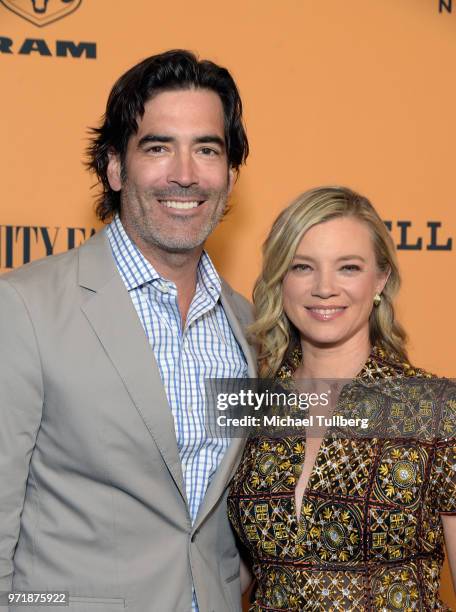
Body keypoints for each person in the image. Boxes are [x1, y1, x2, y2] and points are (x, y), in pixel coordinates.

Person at [0, 50, 256, 612]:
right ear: (116, 166)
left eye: (207, 149)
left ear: (230, 174)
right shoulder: (25, 307)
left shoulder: (249, 326)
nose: (185, 173)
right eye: (158, 147)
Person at [228, 186, 456, 610]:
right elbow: (232, 569)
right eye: (302, 267)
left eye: (348, 267)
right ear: (280, 278)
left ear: (381, 279)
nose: (324, 288)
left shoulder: (439, 410)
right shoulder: (253, 404)